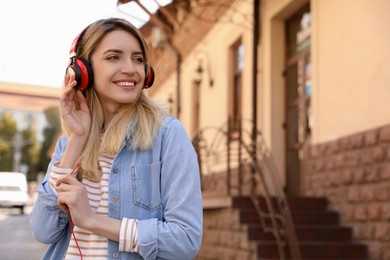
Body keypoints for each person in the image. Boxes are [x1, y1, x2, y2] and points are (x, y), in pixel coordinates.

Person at [30, 18, 203, 260]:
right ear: (83, 71)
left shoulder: (167, 135)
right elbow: (43, 231)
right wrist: (77, 139)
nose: (131, 69)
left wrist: (93, 220)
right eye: (114, 57)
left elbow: (185, 240)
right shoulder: (68, 142)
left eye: (138, 59)